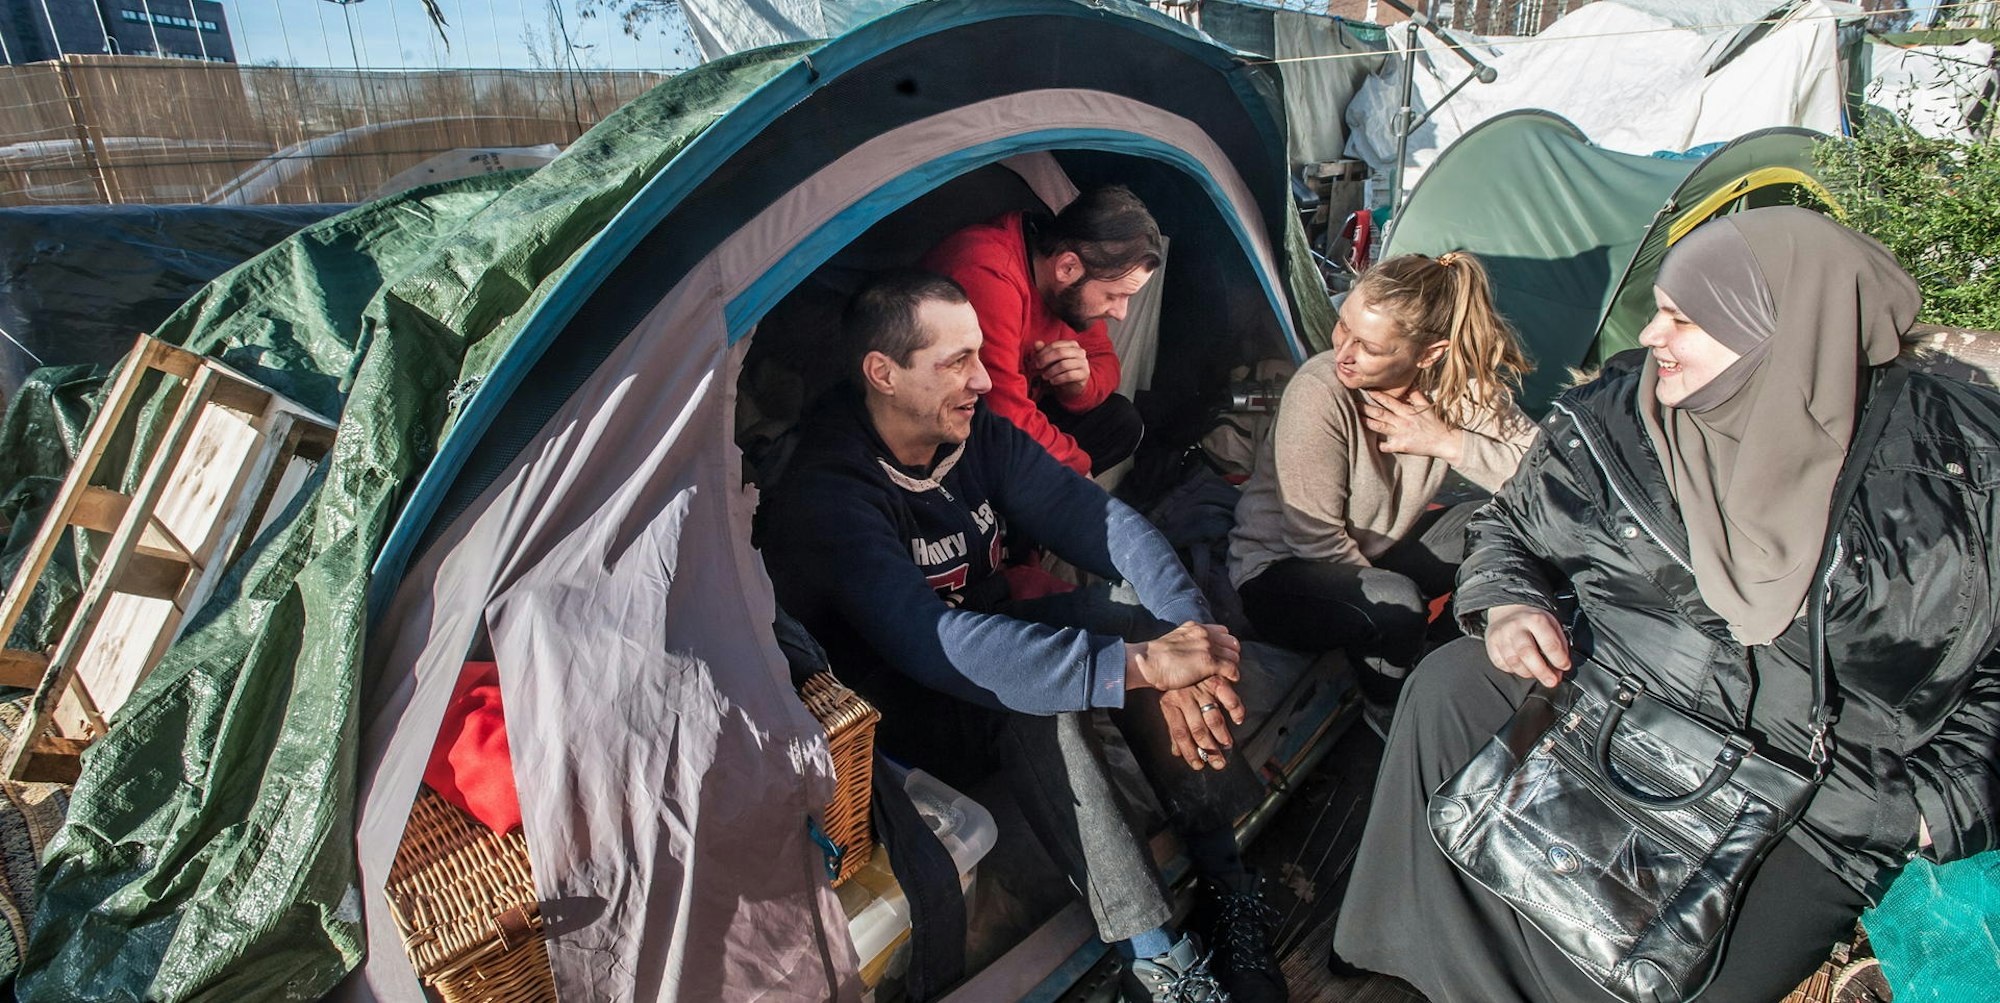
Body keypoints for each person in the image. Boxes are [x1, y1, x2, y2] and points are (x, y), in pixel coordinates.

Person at [1331, 207, 2000, 1002]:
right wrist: (1508, 600)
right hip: (1614, 699)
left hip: (1815, 788)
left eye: (1681, 319)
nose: (1649, 336)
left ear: (1773, 330)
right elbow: (1513, 523)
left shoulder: (1950, 483)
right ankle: (1423, 971)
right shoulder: (1626, 416)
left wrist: (1927, 809)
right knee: (1449, 686)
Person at [757, 271, 1287, 1003]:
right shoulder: (832, 489)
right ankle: (1156, 958)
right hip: (900, 710)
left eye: (979, 354)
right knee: (1043, 699)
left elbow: (1105, 525)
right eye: (955, 362)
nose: (982, 378)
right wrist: (1137, 665)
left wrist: (1184, 639)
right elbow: (930, 642)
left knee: (1138, 621)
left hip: (989, 637)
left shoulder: (976, 434)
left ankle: (1229, 880)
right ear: (883, 373)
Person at [1225, 252, 1535, 715]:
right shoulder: (1322, 389)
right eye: (1342, 326)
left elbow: (1546, 472)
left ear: (1429, 354)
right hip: (1282, 573)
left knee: (1501, 522)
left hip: (1377, 552)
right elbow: (1315, 541)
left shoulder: (1454, 389)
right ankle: (1388, 708)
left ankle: (1434, 654)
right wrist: (1393, 597)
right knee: (1395, 605)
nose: (1343, 353)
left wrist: (1448, 442)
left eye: (1369, 347)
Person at [921, 185, 1159, 477]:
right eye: (1113, 296)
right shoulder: (988, 274)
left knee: (1121, 421)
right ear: (1068, 267)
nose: (1121, 314)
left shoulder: (1070, 285)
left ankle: (1031, 502)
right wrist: (1077, 474)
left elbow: (1105, 360)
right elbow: (1001, 412)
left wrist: (1079, 386)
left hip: (1014, 413)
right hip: (953, 424)